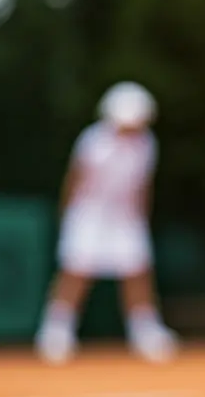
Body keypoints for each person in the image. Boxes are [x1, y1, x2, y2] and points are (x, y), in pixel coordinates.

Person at [34, 81, 179, 364]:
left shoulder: (147, 144)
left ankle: (145, 334)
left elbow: (142, 186)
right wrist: (69, 216)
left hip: (125, 216)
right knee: (75, 271)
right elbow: (75, 181)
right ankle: (56, 334)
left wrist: (139, 218)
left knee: (138, 272)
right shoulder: (93, 141)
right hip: (89, 212)